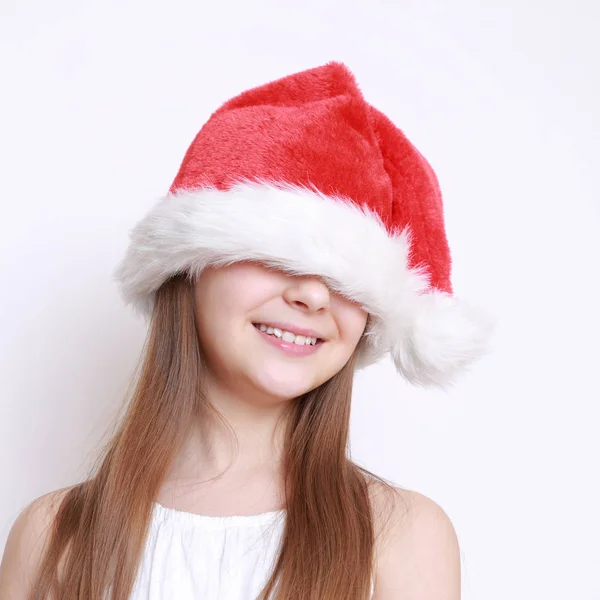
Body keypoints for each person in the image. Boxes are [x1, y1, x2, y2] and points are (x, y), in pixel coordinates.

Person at [0, 61, 494, 600]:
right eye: (275, 253)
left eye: (346, 278)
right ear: (190, 267)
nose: (313, 294)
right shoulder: (53, 536)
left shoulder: (402, 538)